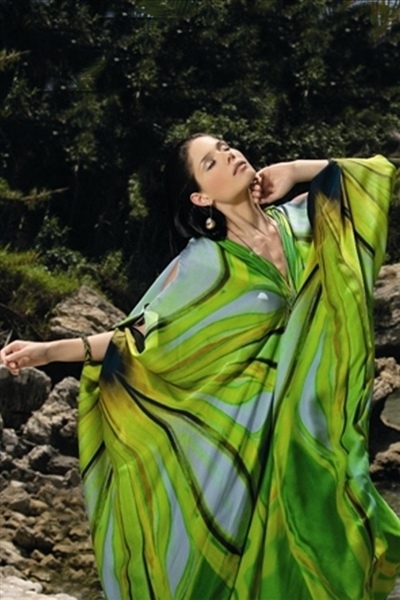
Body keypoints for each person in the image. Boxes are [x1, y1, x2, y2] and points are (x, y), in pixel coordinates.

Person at [1, 134, 399, 600]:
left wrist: (294, 169)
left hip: (325, 422)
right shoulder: (205, 264)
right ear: (201, 198)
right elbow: (138, 338)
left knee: (356, 542)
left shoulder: (301, 220)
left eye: (226, 147)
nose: (228, 156)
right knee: (282, 562)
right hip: (258, 436)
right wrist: (51, 351)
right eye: (210, 162)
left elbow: (370, 176)